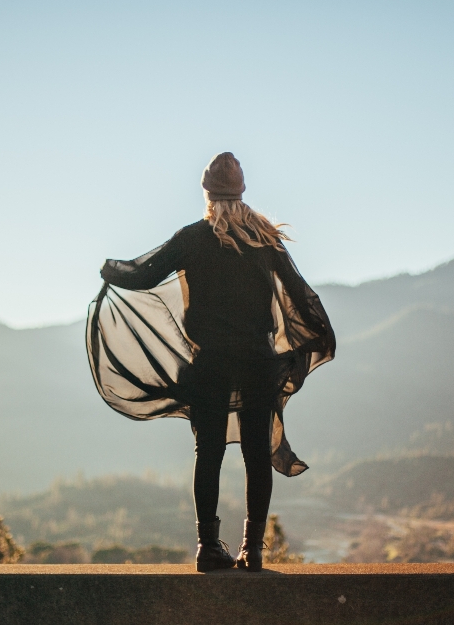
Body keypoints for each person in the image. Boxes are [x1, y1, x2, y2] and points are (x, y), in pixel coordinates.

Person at [87, 152, 335, 572]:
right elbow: (301, 294)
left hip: (209, 367)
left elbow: (143, 275)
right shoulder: (265, 240)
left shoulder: (192, 238)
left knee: (210, 454)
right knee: (257, 455)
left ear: (207, 194)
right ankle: (252, 550)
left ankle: (207, 548)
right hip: (258, 364)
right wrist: (312, 338)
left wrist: (109, 269)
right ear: (241, 193)